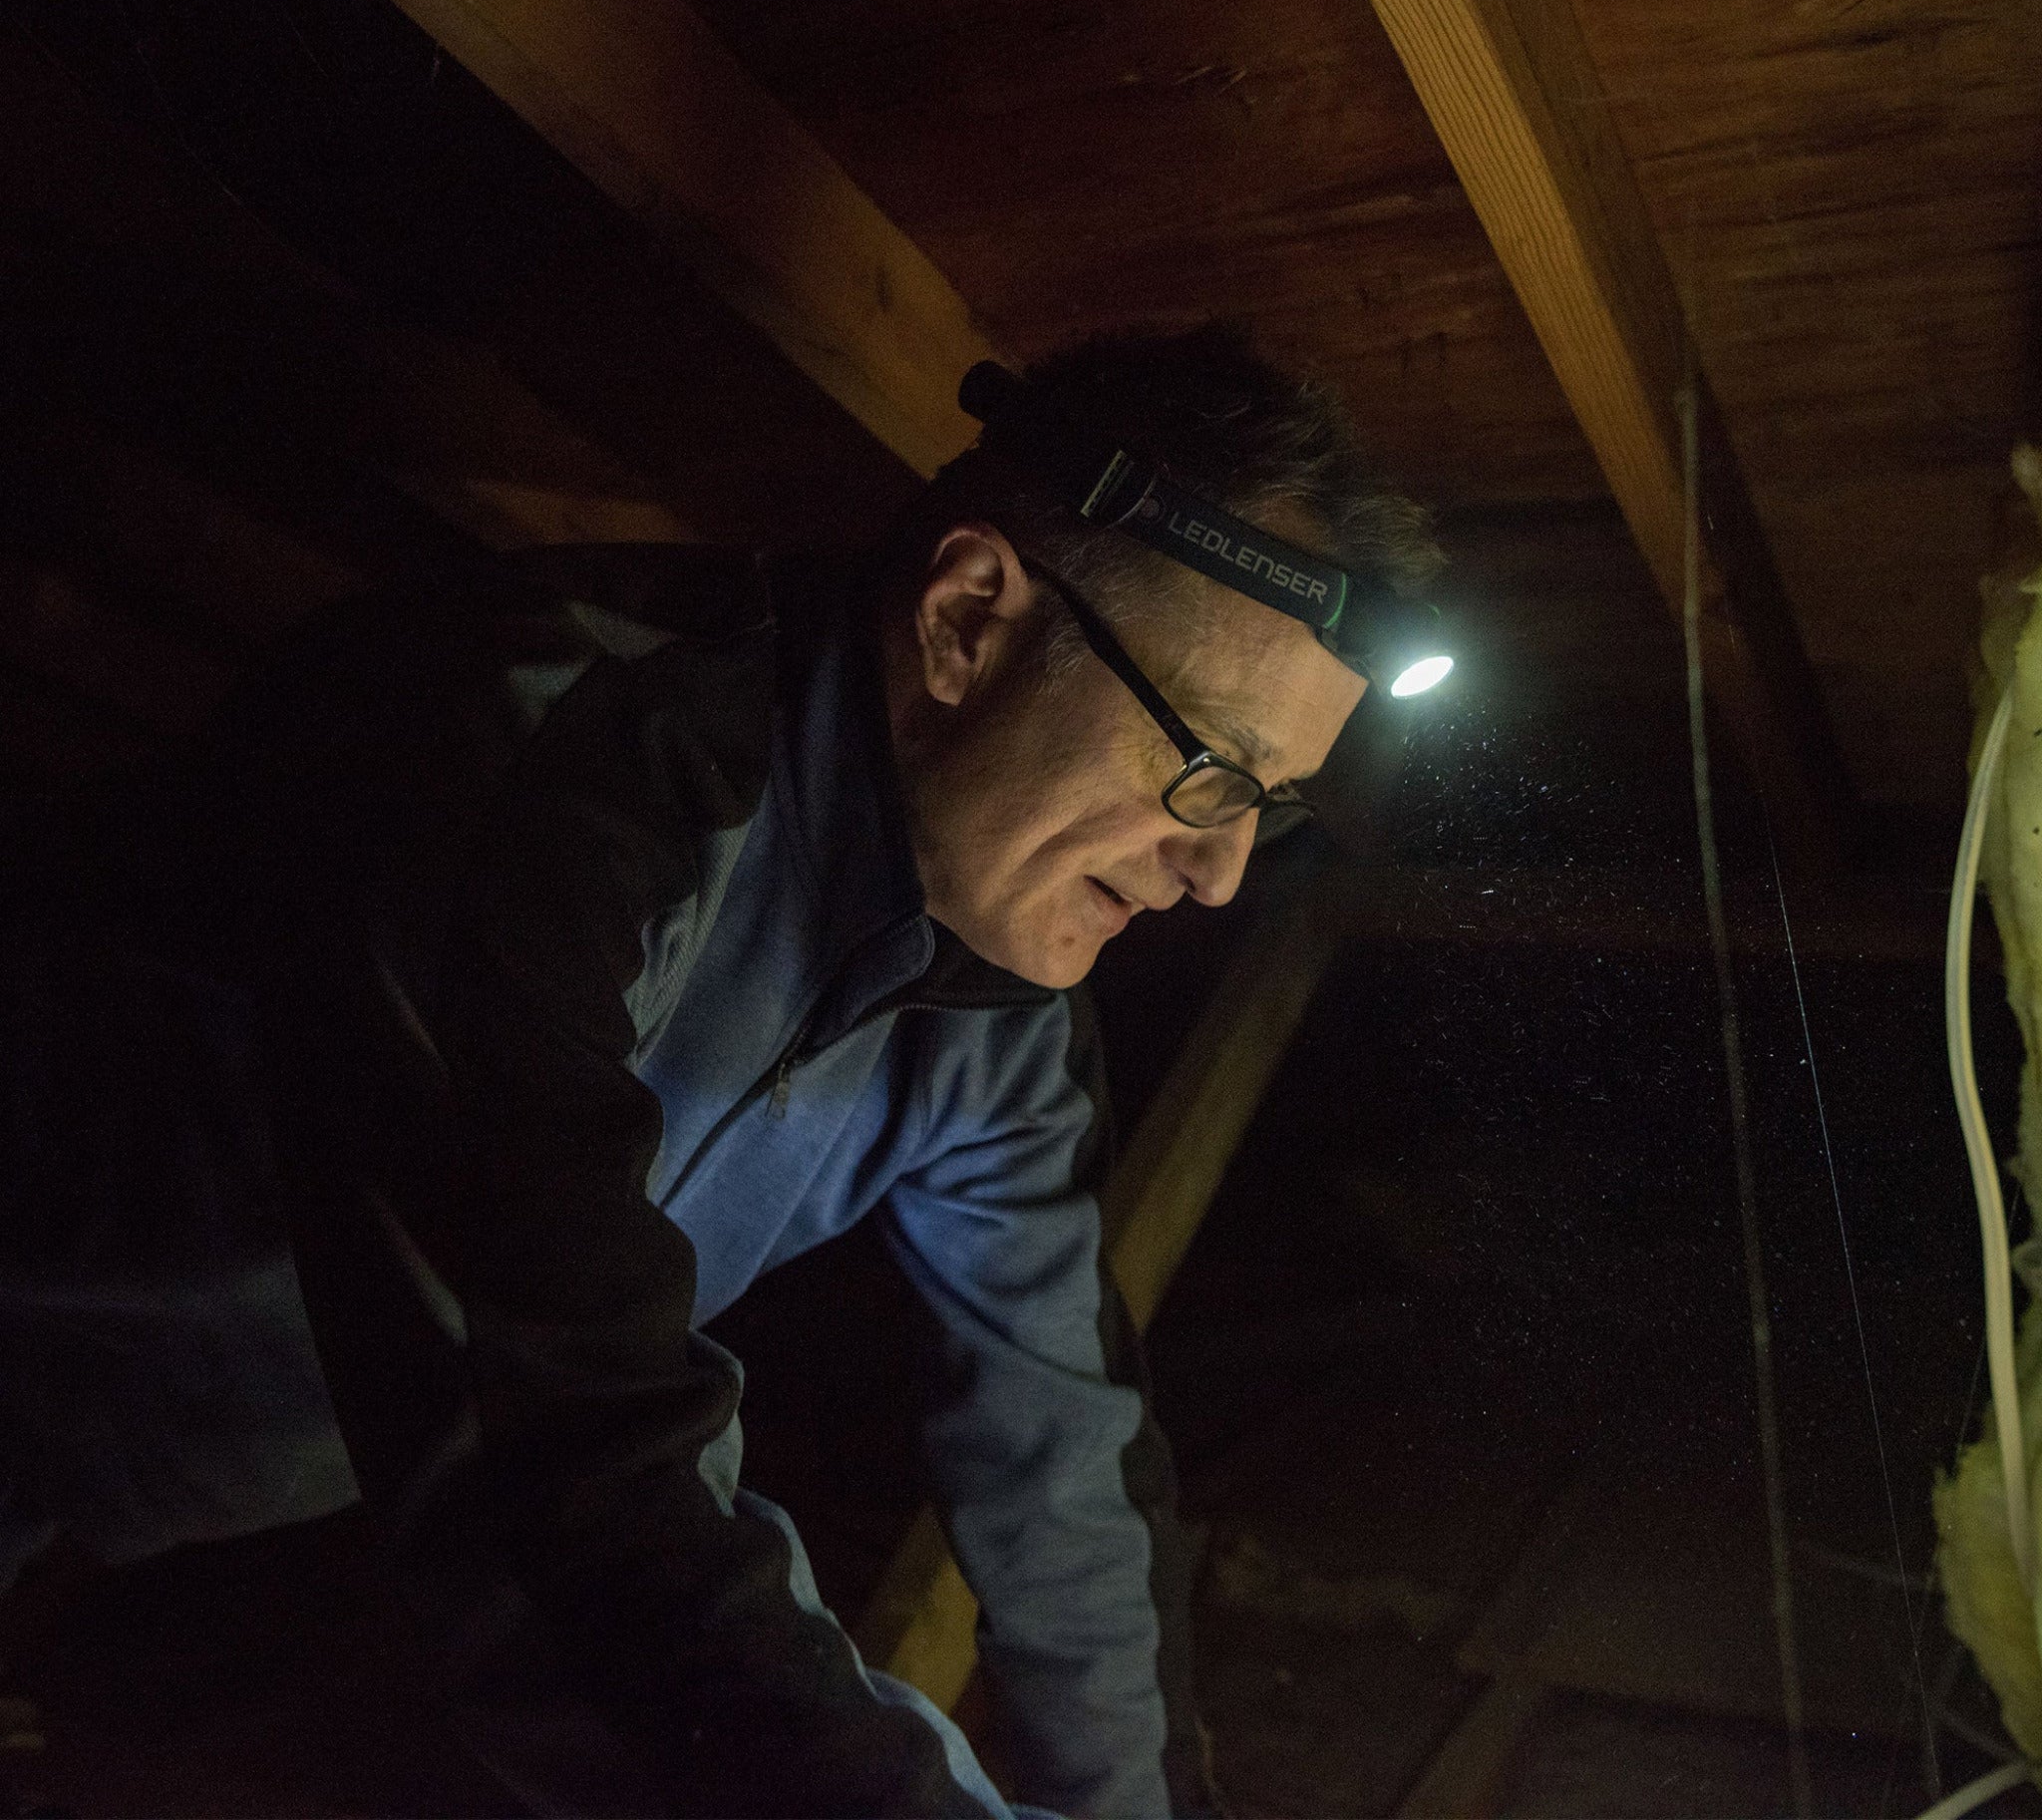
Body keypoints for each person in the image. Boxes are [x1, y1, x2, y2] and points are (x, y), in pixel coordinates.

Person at [0, 324, 1440, 1817]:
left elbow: (1058, 1455)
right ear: (968, 623)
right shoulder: (539, 755)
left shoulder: (995, 1028)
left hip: (112, 1487)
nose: (1219, 877)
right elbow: (554, 1458)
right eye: (1207, 765)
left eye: (1268, 808)